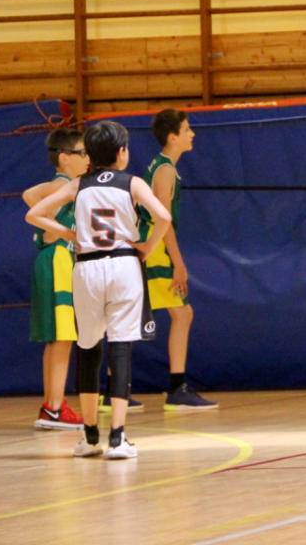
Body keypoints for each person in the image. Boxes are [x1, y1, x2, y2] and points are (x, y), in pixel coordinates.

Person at [26, 120, 171, 459]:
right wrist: (147, 247)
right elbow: (163, 216)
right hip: (123, 265)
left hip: (87, 267)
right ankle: (118, 438)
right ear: (122, 153)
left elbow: (34, 213)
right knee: (120, 348)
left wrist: (69, 234)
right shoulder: (132, 182)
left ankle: (90, 437)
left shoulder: (79, 184)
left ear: (89, 156)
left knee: (88, 348)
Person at [138, 109, 216, 410]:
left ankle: (117, 389)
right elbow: (163, 220)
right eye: (186, 129)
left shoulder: (163, 166)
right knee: (180, 314)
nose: (192, 133)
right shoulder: (165, 169)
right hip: (154, 246)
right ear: (173, 137)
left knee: (152, 315)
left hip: (152, 244)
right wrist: (179, 264)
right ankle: (176, 388)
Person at [21, 128, 90, 430]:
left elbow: (29, 195)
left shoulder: (62, 185)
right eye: (82, 153)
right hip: (58, 258)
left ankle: (52, 405)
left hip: (51, 259)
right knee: (63, 336)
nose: (88, 158)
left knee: (56, 338)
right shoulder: (65, 184)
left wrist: (51, 225)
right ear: (64, 158)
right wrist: (63, 232)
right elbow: (30, 198)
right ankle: (55, 407)